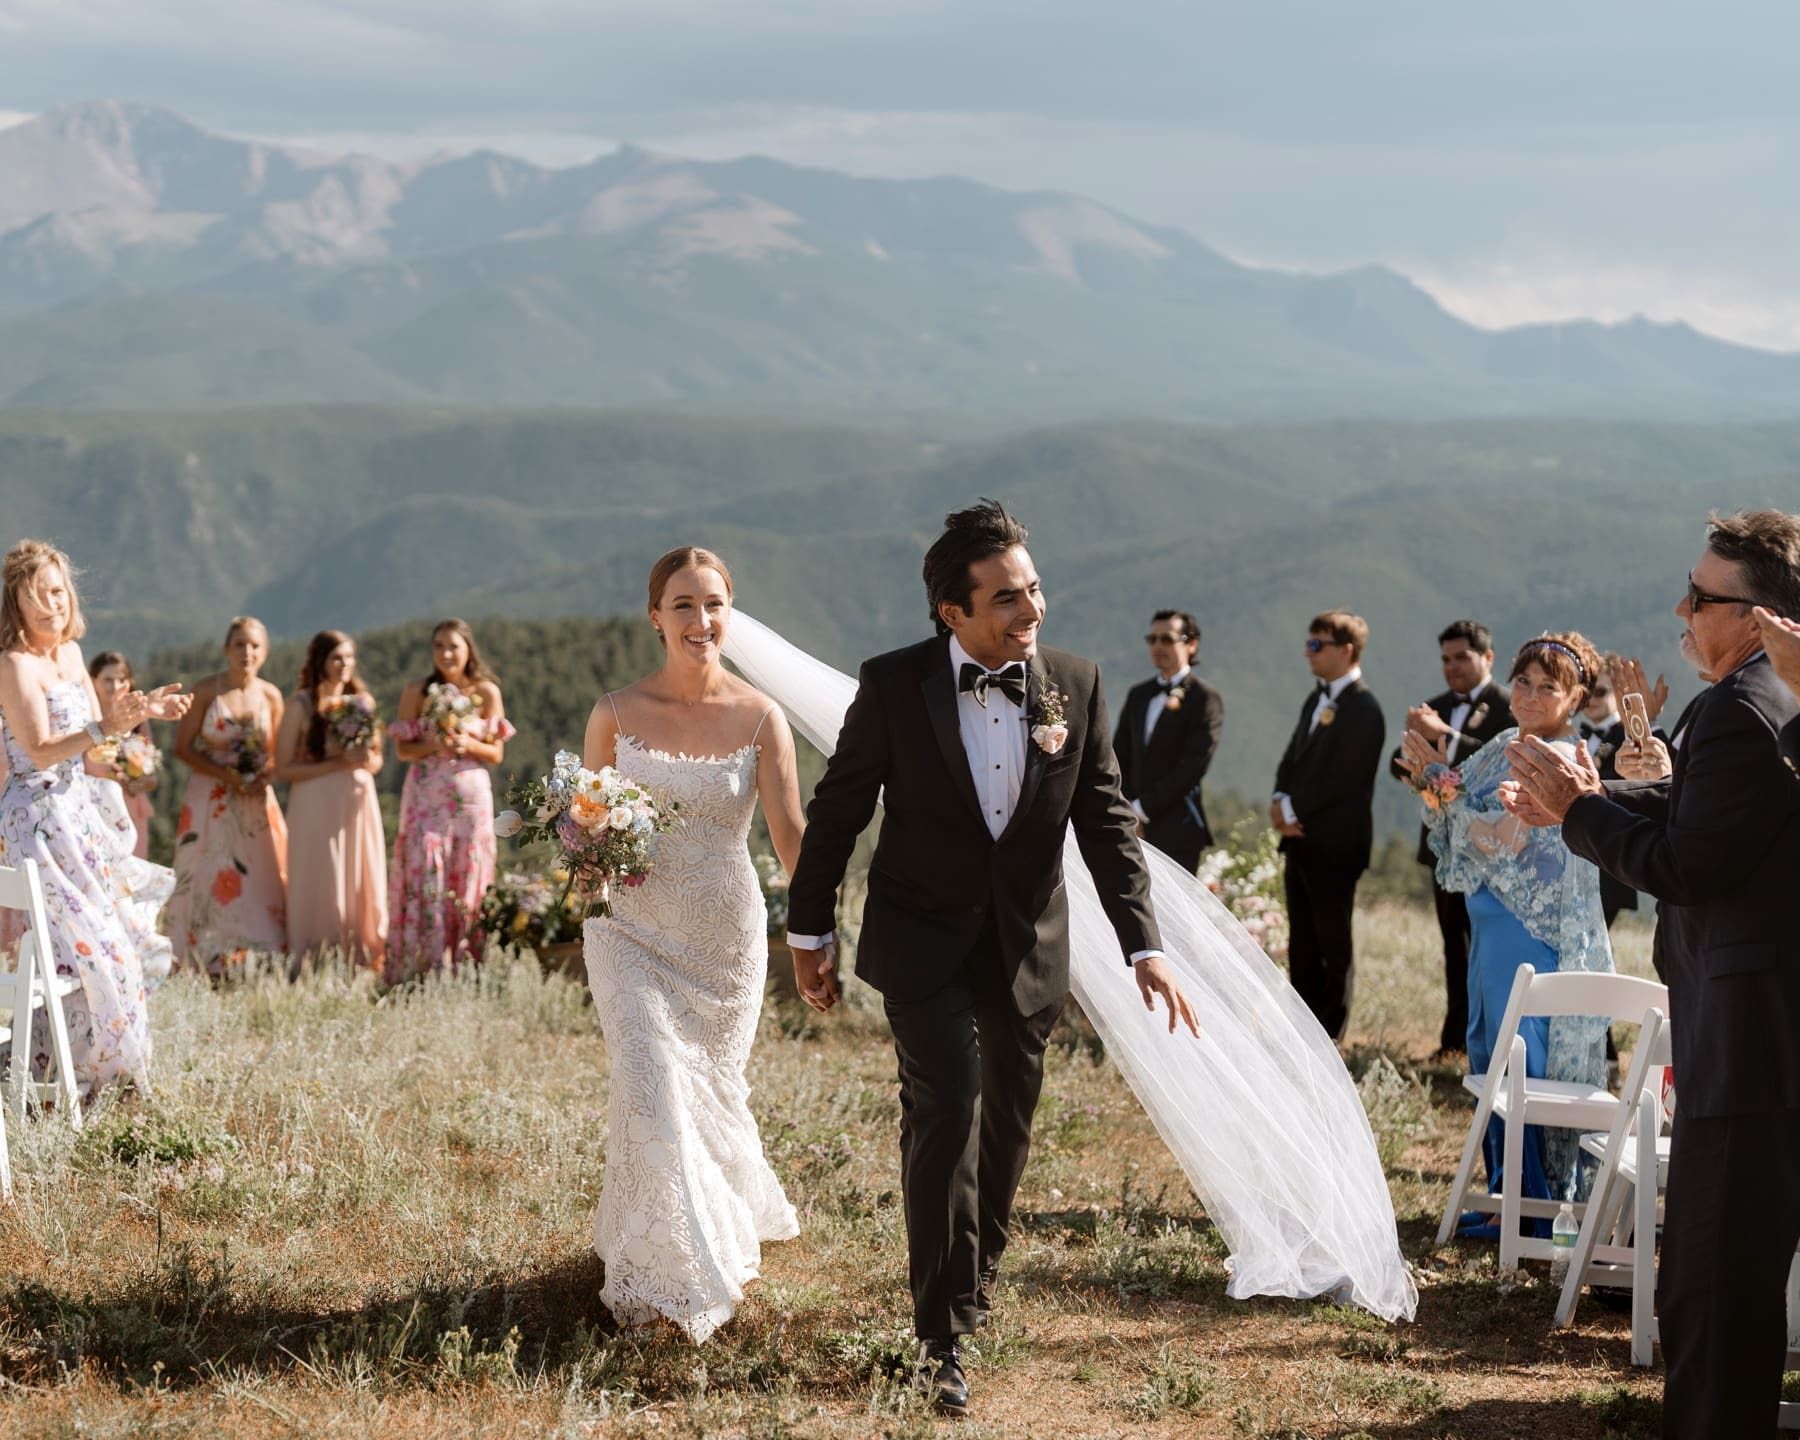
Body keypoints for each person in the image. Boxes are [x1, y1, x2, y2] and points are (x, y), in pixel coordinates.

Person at [783, 501, 1200, 1416]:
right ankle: (939, 1339)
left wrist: (1145, 946)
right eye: (1008, 599)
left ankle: (973, 1279)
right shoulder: (893, 687)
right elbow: (841, 810)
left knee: (1006, 1125)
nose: (1032, 610)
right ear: (952, 612)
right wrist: (809, 931)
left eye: (1036, 589)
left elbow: (1108, 825)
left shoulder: (1076, 686)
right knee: (949, 1109)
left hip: (1028, 948)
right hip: (921, 939)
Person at [1504, 511, 1800, 1440]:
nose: (1682, 607)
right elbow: (1701, 803)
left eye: (1702, 596)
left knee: (1711, 1286)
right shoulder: (1771, 697)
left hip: (1749, 1044)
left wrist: (1580, 817)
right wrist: (1592, 797)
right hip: (1762, 1037)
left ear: (1753, 618)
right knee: (1718, 1278)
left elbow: (1691, 866)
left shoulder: (1743, 707)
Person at [579, 547, 809, 1341]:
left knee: (703, 1098)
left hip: (723, 942)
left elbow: (791, 839)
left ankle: (697, 1236)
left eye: (713, 605)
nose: (700, 621)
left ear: (730, 614)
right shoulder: (613, 712)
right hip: (629, 936)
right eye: (683, 605)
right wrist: (591, 903)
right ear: (655, 616)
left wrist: (816, 936)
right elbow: (587, 832)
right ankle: (665, 1283)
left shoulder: (760, 718)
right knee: (650, 1089)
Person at [1399, 632, 1613, 1220]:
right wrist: (1432, 779)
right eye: (1523, 681)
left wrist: (1438, 782)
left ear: (1575, 699)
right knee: (1486, 1049)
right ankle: (1504, 1194)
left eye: (1550, 687)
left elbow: (1501, 839)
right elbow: (1456, 807)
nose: (1531, 695)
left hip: (1530, 933)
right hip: (1491, 924)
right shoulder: (1499, 743)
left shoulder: (1565, 758)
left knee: (1521, 1058)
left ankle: (1532, 1201)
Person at [0, 541, 188, 1098]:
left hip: (79, 813)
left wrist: (143, 710)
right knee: (95, 953)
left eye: (57, 590)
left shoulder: (74, 654)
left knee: (114, 945)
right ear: (16, 603)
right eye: (36, 595)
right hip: (36, 819)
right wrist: (108, 728)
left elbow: (98, 733)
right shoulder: (14, 663)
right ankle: (104, 1081)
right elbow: (37, 750)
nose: (50, 604)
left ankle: (63, 1075)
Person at [1388, 620, 1513, 1059]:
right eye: (1445, 658)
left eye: (1462, 657)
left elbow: (1498, 759)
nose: (1452, 667)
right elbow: (1397, 764)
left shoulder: (1510, 706)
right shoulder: (1434, 706)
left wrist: (1444, 735)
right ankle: (1453, 1040)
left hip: (1489, 848)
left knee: (1486, 947)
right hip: (1443, 845)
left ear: (1488, 658)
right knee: (1453, 946)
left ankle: (1490, 1043)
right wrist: (1413, 748)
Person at [1270, 611, 1386, 1042]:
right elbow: (1292, 756)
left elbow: (1347, 779)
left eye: (1317, 644)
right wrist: (1280, 800)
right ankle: (1302, 1025)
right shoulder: (1314, 699)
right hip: (1299, 841)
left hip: (1336, 844)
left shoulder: (1365, 708)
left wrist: (1294, 809)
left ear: (1346, 650)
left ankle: (1331, 1030)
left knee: (1332, 940)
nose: (1308, 652)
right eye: (1309, 643)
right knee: (1301, 939)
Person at [386, 619, 515, 982]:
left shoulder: (486, 692)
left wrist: (466, 744)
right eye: (438, 646)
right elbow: (403, 749)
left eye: (452, 646)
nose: (445, 653)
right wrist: (435, 744)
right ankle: (421, 968)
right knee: (427, 874)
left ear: (467, 649)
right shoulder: (418, 691)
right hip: (425, 797)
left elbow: (496, 753)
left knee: (467, 876)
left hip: (470, 800)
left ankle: (466, 969)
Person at [165, 617, 289, 977]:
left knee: (259, 873)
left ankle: (257, 955)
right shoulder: (207, 691)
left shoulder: (271, 696)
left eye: (254, 645)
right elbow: (183, 748)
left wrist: (262, 775)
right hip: (210, 796)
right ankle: (203, 954)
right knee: (207, 869)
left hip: (254, 798)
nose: (246, 652)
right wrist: (228, 777)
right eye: (239, 644)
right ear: (226, 649)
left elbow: (277, 753)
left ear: (264, 652)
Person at [276, 630, 386, 969]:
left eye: (349, 657)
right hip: (316, 800)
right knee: (320, 876)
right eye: (336, 658)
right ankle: (316, 957)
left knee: (359, 873)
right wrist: (337, 762)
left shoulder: (363, 702)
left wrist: (364, 759)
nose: (344, 665)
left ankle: (362, 954)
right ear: (320, 661)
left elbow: (377, 759)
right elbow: (283, 767)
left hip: (357, 800)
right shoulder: (299, 706)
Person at [1113, 609, 1223, 871]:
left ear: (1191, 644)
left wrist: (1143, 808)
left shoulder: (1204, 698)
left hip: (1178, 827)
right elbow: (1119, 755)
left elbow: (1194, 764)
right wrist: (1125, 807)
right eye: (1152, 640)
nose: (1158, 646)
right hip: (1130, 827)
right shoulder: (1138, 695)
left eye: (1167, 639)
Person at [85, 652, 157, 860]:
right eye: (108, 679)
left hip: (133, 810)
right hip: (96, 810)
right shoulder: (86, 721)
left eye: (121, 680)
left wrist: (141, 783)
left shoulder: (139, 722)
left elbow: (152, 776)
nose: (115, 686)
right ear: (92, 681)